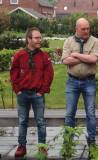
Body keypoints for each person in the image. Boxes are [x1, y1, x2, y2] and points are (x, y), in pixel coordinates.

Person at [10, 27, 54, 158]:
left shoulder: (44, 56)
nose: (39, 40)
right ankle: (21, 146)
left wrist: (42, 91)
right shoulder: (19, 55)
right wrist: (17, 90)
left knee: (40, 121)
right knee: (22, 121)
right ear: (29, 39)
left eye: (40, 37)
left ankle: (42, 147)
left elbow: (49, 74)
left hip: (37, 95)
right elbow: (13, 73)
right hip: (22, 94)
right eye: (36, 38)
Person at [61, 18, 98, 146]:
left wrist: (76, 55)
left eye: (88, 28)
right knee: (69, 113)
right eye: (83, 29)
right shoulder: (68, 41)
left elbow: (94, 59)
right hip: (72, 81)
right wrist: (86, 58)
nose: (86, 31)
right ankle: (68, 140)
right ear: (76, 29)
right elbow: (65, 61)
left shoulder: (96, 41)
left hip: (89, 82)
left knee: (90, 113)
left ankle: (92, 140)